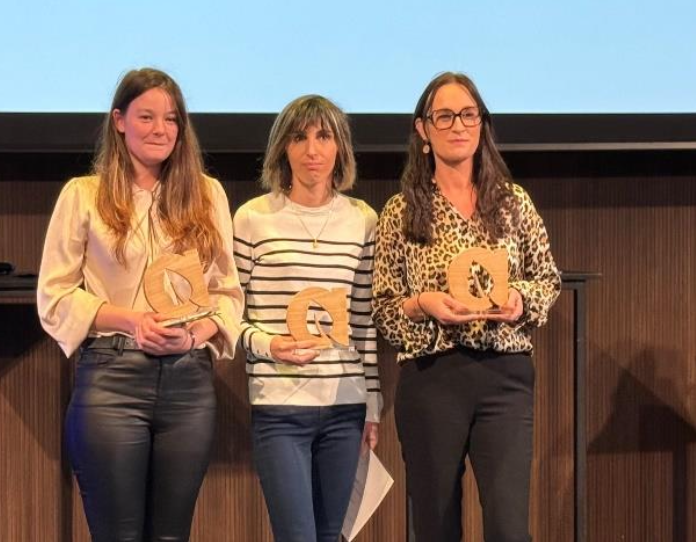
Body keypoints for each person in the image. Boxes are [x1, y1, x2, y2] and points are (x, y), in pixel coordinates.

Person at [37, 68, 242, 542]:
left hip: (188, 382)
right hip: (112, 379)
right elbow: (55, 294)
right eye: (146, 116)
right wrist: (131, 321)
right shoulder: (83, 194)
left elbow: (227, 295)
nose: (160, 129)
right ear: (119, 121)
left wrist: (194, 334)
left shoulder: (207, 194)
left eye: (171, 119)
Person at [371, 72, 561, 542]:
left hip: (505, 377)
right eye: (445, 116)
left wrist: (519, 300)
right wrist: (422, 304)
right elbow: (384, 305)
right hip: (433, 377)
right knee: (435, 525)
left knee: (509, 525)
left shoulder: (513, 203)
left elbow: (548, 279)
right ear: (423, 130)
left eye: (469, 114)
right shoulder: (403, 210)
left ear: (482, 124)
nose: (458, 125)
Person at [231, 95, 382, 542]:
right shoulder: (253, 219)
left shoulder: (363, 220)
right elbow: (227, 312)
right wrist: (268, 344)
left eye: (323, 136)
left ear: (340, 148)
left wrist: (371, 404)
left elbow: (364, 321)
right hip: (279, 407)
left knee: (334, 535)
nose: (312, 149)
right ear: (283, 148)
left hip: (344, 407)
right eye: (300, 137)